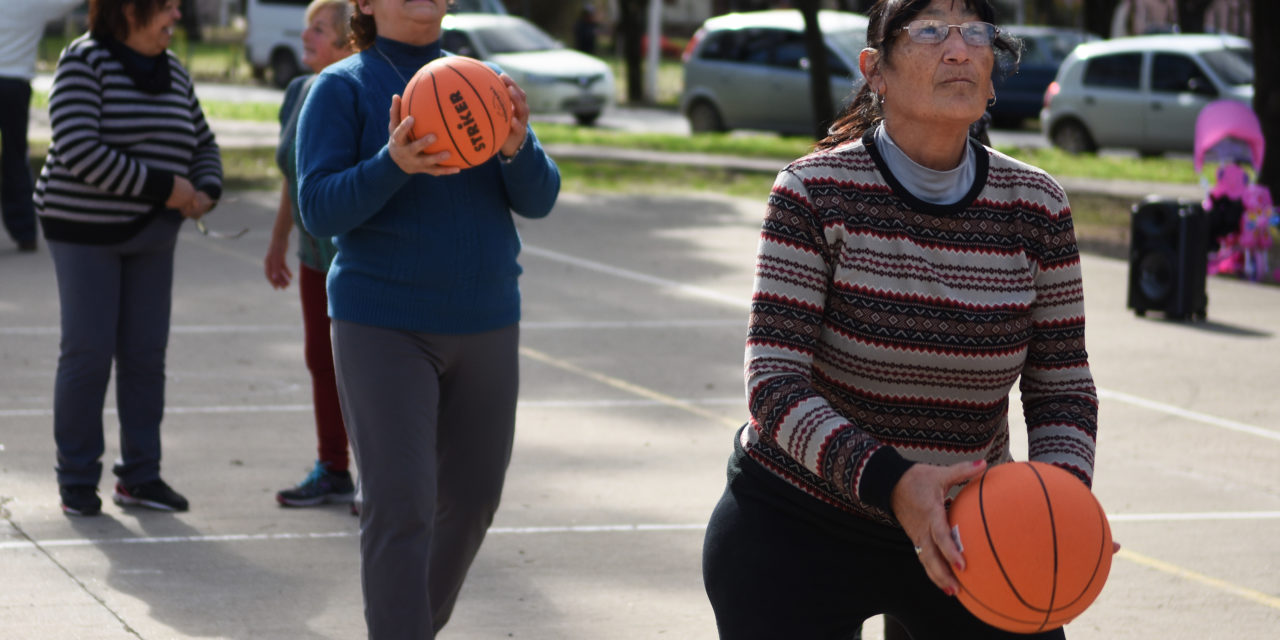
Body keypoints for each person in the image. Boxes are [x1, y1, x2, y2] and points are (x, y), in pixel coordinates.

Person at [701, 1, 1102, 639]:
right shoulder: (812, 192)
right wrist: (892, 482)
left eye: (976, 32)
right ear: (875, 71)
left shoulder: (1037, 205)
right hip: (802, 521)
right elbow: (773, 384)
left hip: (973, 529)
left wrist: (1057, 501)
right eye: (932, 31)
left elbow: (1062, 389)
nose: (959, 49)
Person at [294, 0, 559, 636]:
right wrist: (394, 164)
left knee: (471, 502)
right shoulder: (341, 86)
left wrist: (516, 144)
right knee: (401, 505)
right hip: (384, 324)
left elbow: (542, 197)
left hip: (488, 318)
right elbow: (318, 209)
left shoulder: (483, 80)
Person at [35, 0, 222, 516]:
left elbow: (202, 141)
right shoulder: (84, 61)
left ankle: (140, 477)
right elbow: (77, 148)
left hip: (153, 236)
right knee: (88, 354)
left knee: (145, 357)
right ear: (129, 9)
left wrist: (206, 187)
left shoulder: (175, 71)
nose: (176, 17)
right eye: (166, 7)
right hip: (83, 232)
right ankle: (76, 478)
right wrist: (167, 189)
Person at [263, 0, 357, 508]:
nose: (305, 36)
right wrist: (279, 239)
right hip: (311, 254)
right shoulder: (299, 90)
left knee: (365, 368)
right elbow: (292, 174)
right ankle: (332, 468)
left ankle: (381, 478)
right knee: (321, 360)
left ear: (348, 41)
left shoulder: (355, 92)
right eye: (306, 27)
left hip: (355, 256)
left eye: (318, 30)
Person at [0, 0, 81, 252]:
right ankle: (25, 232)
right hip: (16, 84)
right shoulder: (32, 4)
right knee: (15, 156)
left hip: (15, 82)